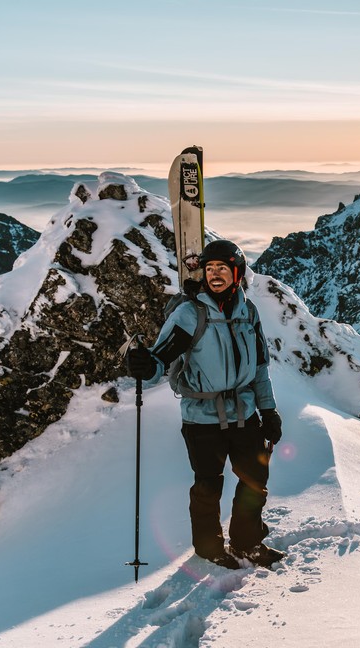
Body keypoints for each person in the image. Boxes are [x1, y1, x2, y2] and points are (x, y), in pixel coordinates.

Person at [126, 239, 284, 569]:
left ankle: (247, 543)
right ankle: (208, 547)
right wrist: (145, 367)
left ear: (236, 273)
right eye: (209, 268)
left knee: (255, 480)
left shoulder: (248, 313)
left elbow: (259, 368)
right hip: (202, 418)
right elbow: (160, 360)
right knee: (208, 486)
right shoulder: (189, 313)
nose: (214, 274)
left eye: (222, 268)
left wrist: (268, 411)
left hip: (244, 413)